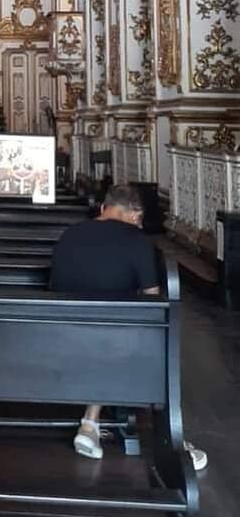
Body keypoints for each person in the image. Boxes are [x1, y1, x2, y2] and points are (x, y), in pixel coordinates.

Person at [50, 183, 207, 471]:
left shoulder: (70, 235)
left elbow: (56, 285)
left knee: (108, 334)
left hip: (60, 335)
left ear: (103, 209)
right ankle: (172, 439)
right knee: (152, 340)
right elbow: (152, 299)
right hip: (112, 340)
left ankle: (90, 423)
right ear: (135, 216)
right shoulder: (137, 241)